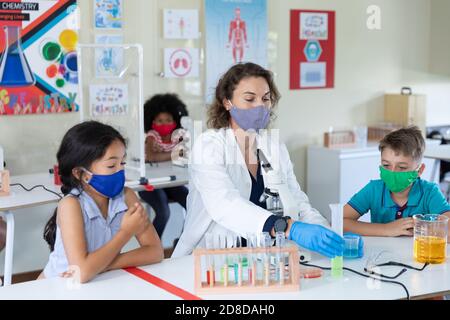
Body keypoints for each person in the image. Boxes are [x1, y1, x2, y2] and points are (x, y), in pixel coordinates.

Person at [173, 62, 344, 258]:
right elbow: (225, 204)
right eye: (249, 99)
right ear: (227, 102)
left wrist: (325, 231)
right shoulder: (209, 146)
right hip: (213, 261)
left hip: (264, 259)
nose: (260, 106)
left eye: (265, 99)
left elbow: (297, 200)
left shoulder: (274, 147)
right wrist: (286, 227)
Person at [40, 121, 163, 283]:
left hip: (97, 281)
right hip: (56, 286)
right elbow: (80, 273)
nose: (120, 171)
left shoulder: (127, 196)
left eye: (122, 163)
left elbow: (155, 252)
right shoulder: (71, 205)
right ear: (80, 173)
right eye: (111, 165)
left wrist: (102, 266)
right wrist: (125, 233)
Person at [344, 126, 450, 241]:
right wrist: (386, 229)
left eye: (402, 167)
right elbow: (340, 222)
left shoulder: (429, 192)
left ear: (419, 170)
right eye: (386, 165)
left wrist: (419, 227)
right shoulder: (373, 189)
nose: (392, 172)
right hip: (381, 255)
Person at [140, 93, 189, 238]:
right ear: (152, 121)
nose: (164, 124)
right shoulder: (152, 136)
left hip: (171, 183)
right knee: (163, 212)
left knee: (193, 205)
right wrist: (174, 154)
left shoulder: (178, 136)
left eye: (168, 120)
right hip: (151, 184)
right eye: (160, 120)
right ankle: (152, 247)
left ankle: (182, 242)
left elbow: (185, 154)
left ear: (176, 121)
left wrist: (164, 156)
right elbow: (151, 157)